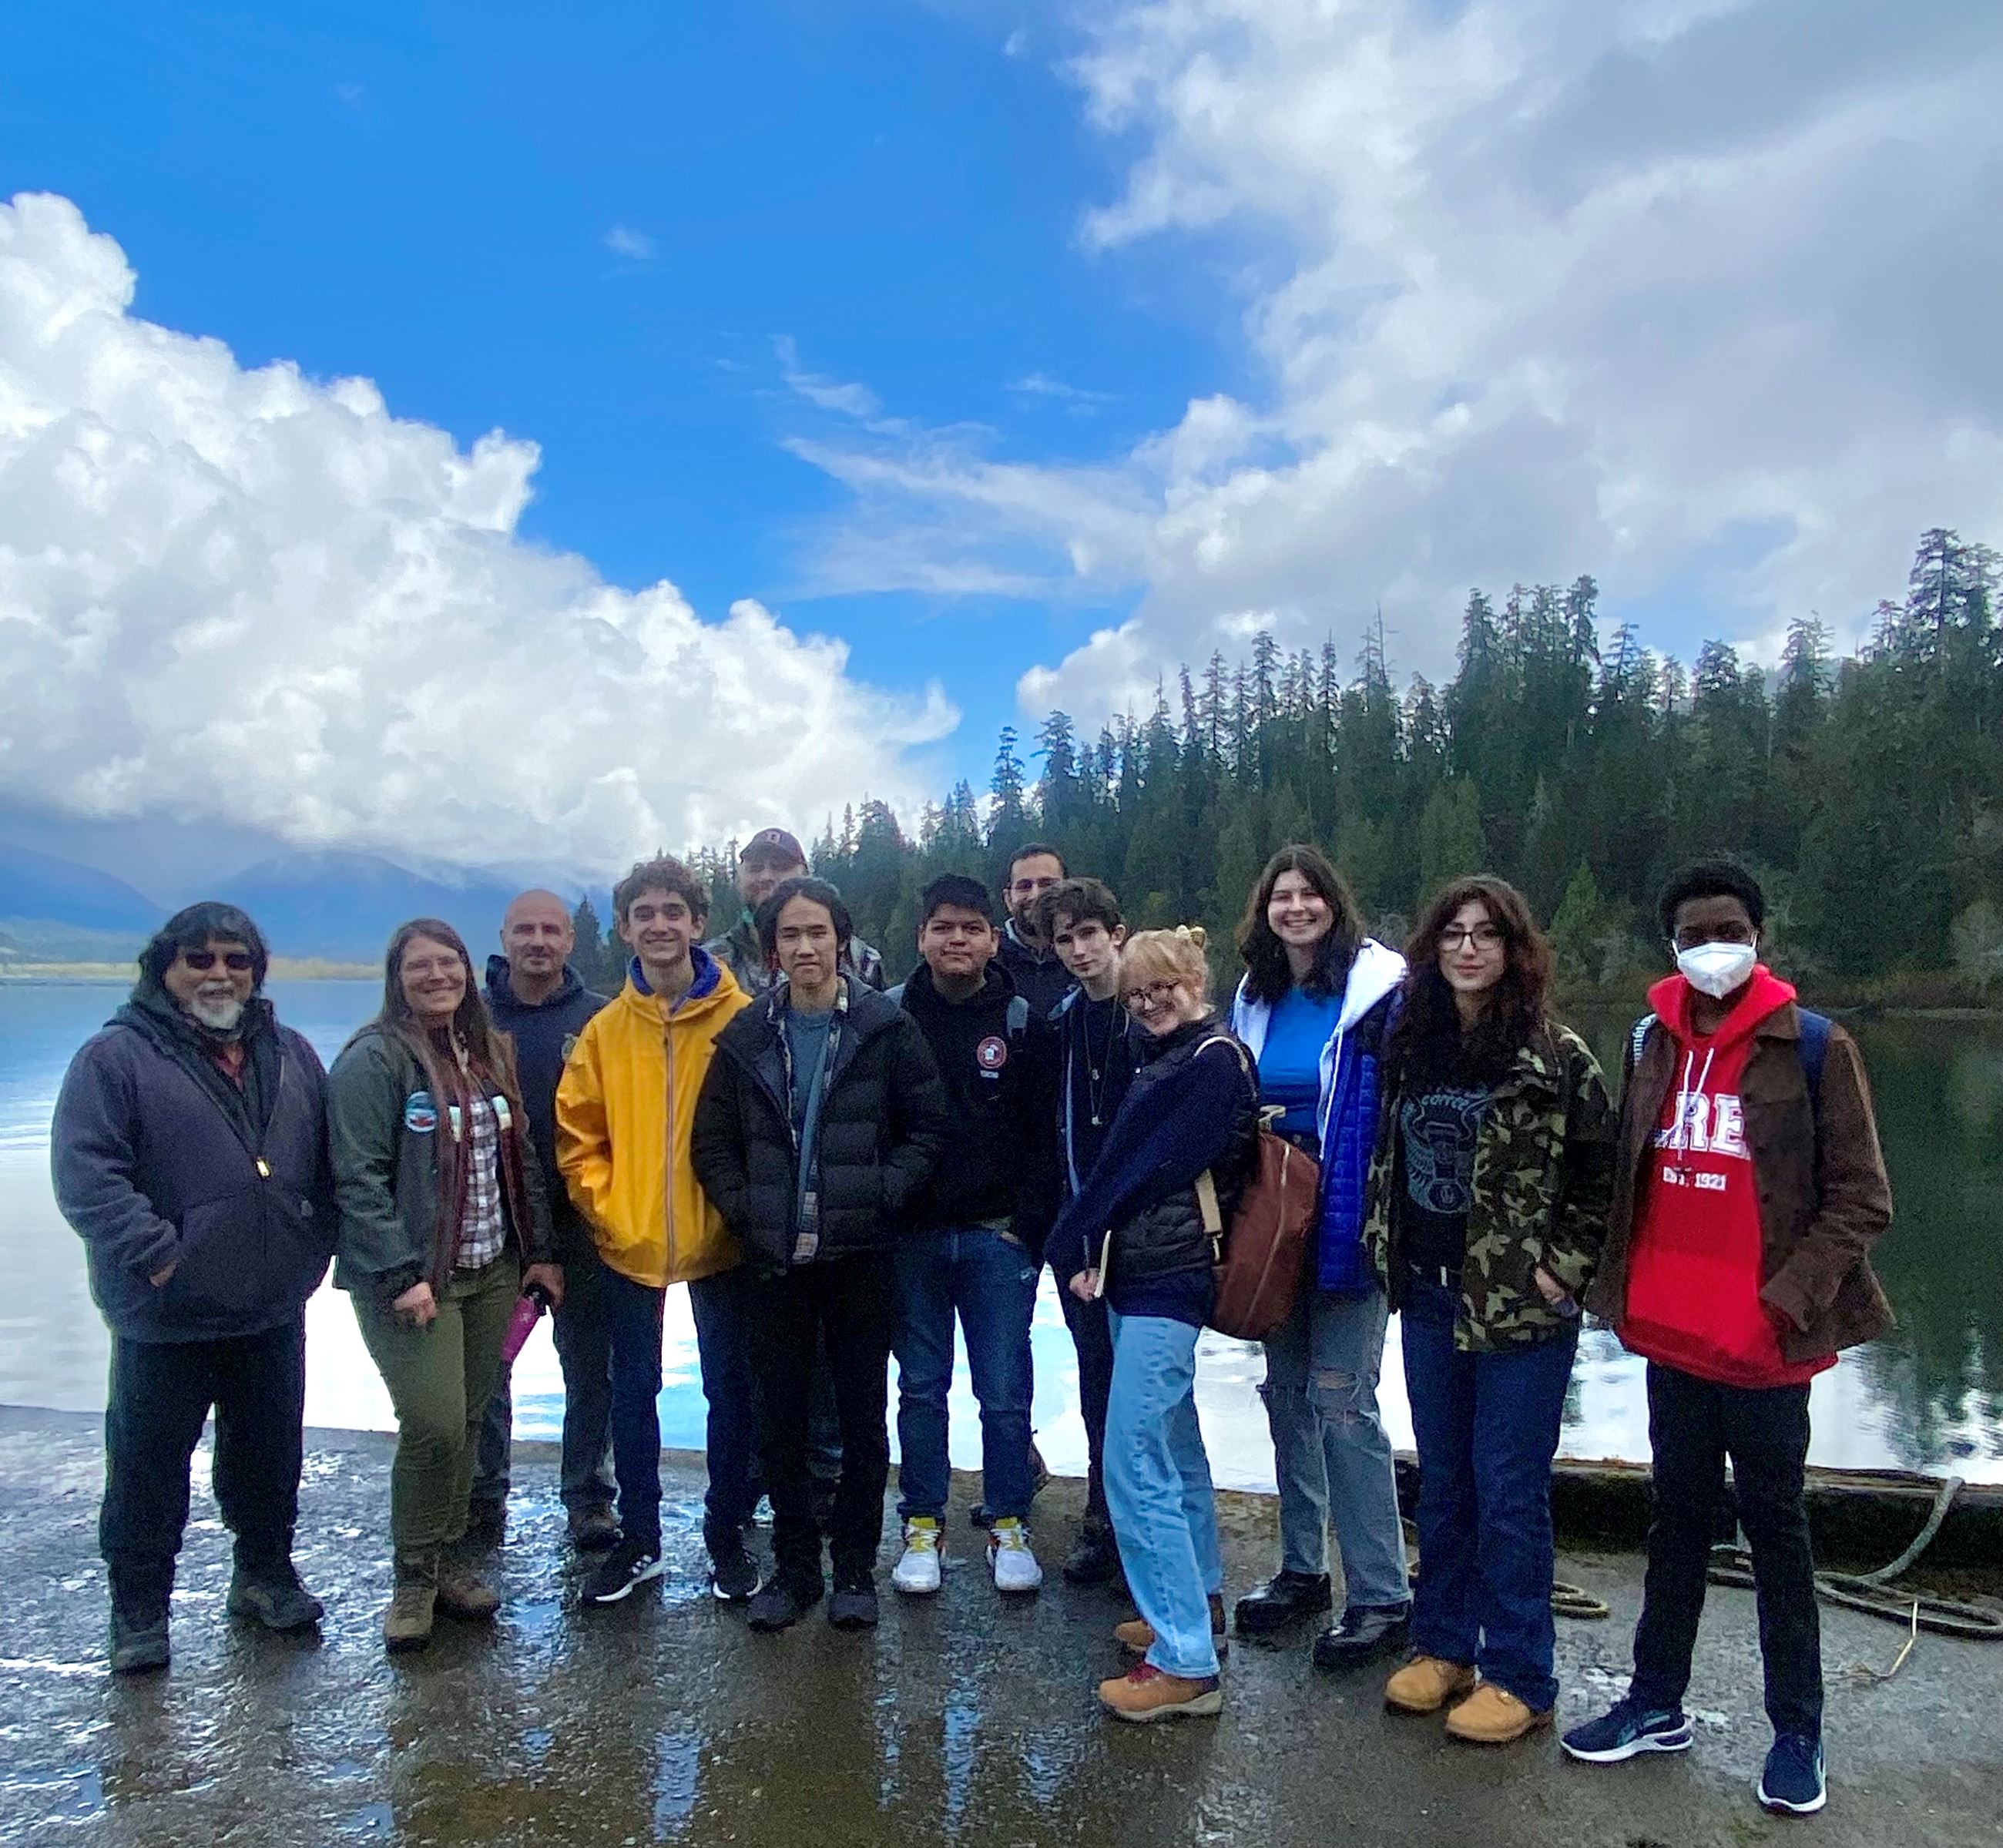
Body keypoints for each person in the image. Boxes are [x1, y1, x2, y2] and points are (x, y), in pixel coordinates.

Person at [1564, 860, 1894, 1818]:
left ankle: (1796, 1729)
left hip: (1762, 1344)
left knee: (1777, 1533)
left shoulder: (1816, 1046)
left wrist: (1787, 1299)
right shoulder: (1645, 1041)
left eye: (1731, 929)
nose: (1715, 946)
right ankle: (1654, 1701)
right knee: (1672, 1524)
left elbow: (1861, 1197)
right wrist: (1611, 1290)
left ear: (1758, 938)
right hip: (1669, 1336)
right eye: (1695, 931)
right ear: (1671, 946)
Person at [53, 903, 335, 1675]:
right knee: (148, 1469)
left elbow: (326, 1158)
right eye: (199, 959)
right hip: (163, 1311)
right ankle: (139, 1610)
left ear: (256, 970)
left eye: (234, 959)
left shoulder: (292, 1052)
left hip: (271, 1301)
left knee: (269, 1457)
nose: (218, 973)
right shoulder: (113, 1058)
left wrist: (318, 1242)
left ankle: (264, 1575)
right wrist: (158, 1254)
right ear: (164, 968)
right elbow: (87, 1175)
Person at [1366, 877, 1615, 1743]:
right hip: (1429, 1295)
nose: (1466, 948)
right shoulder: (1410, 1044)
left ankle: (1520, 1672)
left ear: (1513, 951)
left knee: (1507, 1490)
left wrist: (1564, 1269)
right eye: (1452, 934)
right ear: (1431, 948)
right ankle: (1443, 1644)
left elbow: (1599, 1176)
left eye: (1485, 935)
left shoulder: (1556, 1055)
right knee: (1443, 1482)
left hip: (1520, 1308)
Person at [691, 877, 950, 1634]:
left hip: (858, 1253)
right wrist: (745, 1208)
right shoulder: (743, 1036)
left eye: (818, 933)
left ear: (842, 940)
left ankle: (852, 1572)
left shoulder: (884, 1026)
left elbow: (926, 1126)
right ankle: (795, 1568)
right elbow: (711, 1142)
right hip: (772, 1258)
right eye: (790, 935)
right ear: (771, 949)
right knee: (778, 1417)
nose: (805, 947)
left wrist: (881, 1191)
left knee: (864, 1417)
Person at [329, 918, 564, 1652]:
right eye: (419, 966)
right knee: (430, 1422)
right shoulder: (375, 1059)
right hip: (416, 1281)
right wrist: (401, 1273)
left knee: (467, 1418)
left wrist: (540, 1250)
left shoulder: (489, 1049)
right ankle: (412, 1574)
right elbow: (357, 1177)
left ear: (468, 970)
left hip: (492, 1268)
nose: (437, 976)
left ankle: (453, 1559)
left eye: (449, 963)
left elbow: (518, 1152)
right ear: (396, 977)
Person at [1048, 927, 1260, 1722]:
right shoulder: (1172, 1059)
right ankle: (1193, 1604)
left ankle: (1182, 1660)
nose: (1148, 1002)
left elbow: (1144, 1168)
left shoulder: (1209, 1064)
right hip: (1143, 1273)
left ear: (1194, 978)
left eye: (1161, 984)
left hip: (1170, 1278)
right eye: (1135, 994)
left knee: (1129, 1456)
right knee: (1172, 1443)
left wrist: (1072, 1228)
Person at [1228, 844, 1411, 1667]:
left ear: (1333, 903)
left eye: (1308, 894)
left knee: (1343, 1399)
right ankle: (1303, 1569)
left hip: (1349, 1219)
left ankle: (1381, 1592)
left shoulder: (1381, 991)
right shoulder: (1253, 993)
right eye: (1280, 895)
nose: (1294, 907)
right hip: (1275, 1218)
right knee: (1285, 1395)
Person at [555, 857, 757, 1607]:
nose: (660, 924)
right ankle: (638, 1539)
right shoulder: (605, 1030)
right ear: (625, 926)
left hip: (722, 1237)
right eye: (644, 912)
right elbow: (578, 1136)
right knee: (631, 1390)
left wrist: (741, 1208)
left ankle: (726, 1534)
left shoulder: (741, 1018)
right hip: (627, 1242)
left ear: (698, 922)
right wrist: (609, 1212)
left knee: (729, 1390)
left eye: (674, 910)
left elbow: (764, 1126)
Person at [887, 875, 1048, 1598]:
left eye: (972, 928)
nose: (958, 939)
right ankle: (923, 1522)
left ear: (993, 936)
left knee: (1006, 1391)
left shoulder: (1019, 1020)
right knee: (921, 1389)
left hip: (995, 1238)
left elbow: (1048, 1138)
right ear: (921, 936)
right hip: (911, 1240)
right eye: (944, 926)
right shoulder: (886, 1017)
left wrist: (1028, 1230)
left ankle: (1008, 1522)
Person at [468, 890, 616, 1552]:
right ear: (503, 935)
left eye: (550, 930)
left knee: (591, 1370)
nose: (537, 940)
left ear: (569, 942)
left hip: (585, 1223)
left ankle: (589, 1498)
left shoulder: (601, 1020)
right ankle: (482, 1496)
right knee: (486, 1368)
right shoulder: (467, 1020)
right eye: (524, 928)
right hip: (491, 1223)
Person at [1030, 877, 1146, 1586]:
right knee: (1098, 1380)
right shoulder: (1059, 1026)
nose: (1078, 950)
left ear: (1117, 933)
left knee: (1153, 1391)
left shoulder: (1150, 1016)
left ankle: (1152, 1536)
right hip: (1080, 1238)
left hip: (1149, 1238)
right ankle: (1104, 1522)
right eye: (1065, 939)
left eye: (1089, 934)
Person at [703, 827, 884, 998]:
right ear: (739, 879)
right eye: (755, 868)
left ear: (805, 876)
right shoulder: (710, 962)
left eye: (780, 867)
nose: (766, 877)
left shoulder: (861, 960)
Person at [995, 842, 1075, 1019]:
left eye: (1047, 884)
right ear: (1008, 899)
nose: (1036, 895)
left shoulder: (1091, 954)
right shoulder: (987, 960)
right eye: (1024, 886)